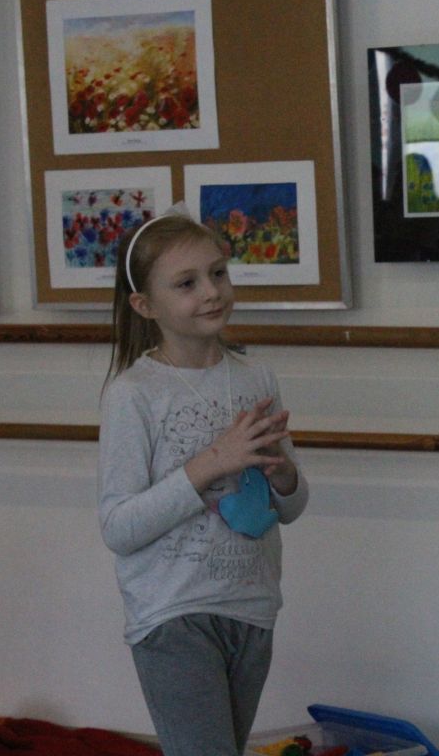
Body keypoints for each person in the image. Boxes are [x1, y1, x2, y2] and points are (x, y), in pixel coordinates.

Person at [97, 204, 309, 755]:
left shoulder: (257, 376)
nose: (212, 292)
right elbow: (119, 527)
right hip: (173, 616)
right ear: (145, 305)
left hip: (252, 608)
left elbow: (289, 508)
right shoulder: (133, 394)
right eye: (186, 283)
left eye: (218, 273)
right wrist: (213, 462)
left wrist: (283, 472)